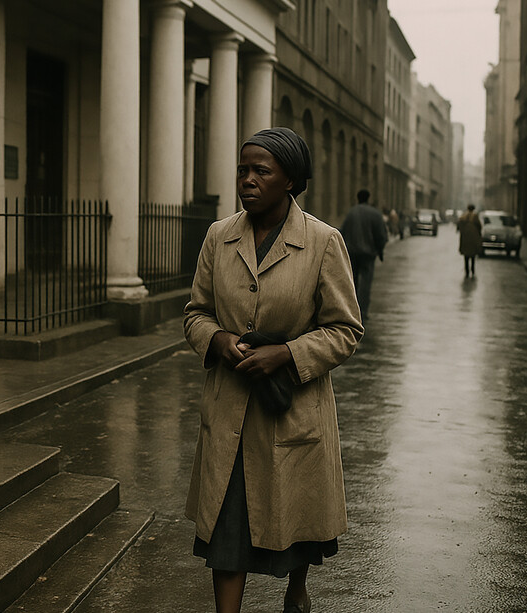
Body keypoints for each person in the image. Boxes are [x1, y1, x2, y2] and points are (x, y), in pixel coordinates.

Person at [183, 127, 364, 613]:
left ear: (290, 180)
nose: (247, 180)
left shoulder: (324, 242)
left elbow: (346, 329)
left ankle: (296, 589)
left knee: (294, 515)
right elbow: (195, 312)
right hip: (228, 413)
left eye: (261, 171)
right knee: (227, 528)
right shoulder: (218, 237)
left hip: (290, 411)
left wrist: (287, 354)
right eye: (243, 169)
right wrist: (218, 340)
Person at [339, 189, 388, 320]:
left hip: (352, 253)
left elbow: (342, 232)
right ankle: (363, 311)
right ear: (368, 198)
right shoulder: (375, 214)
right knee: (365, 283)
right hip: (367, 254)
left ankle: (351, 310)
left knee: (352, 283)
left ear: (357, 198)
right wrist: (380, 251)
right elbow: (381, 235)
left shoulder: (351, 212)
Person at [456, 204, 482, 277]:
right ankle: (472, 270)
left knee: (466, 256)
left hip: (465, 238)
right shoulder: (475, 217)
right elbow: (479, 227)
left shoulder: (463, 216)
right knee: (473, 255)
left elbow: (459, 226)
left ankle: (467, 271)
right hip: (473, 238)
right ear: (473, 209)